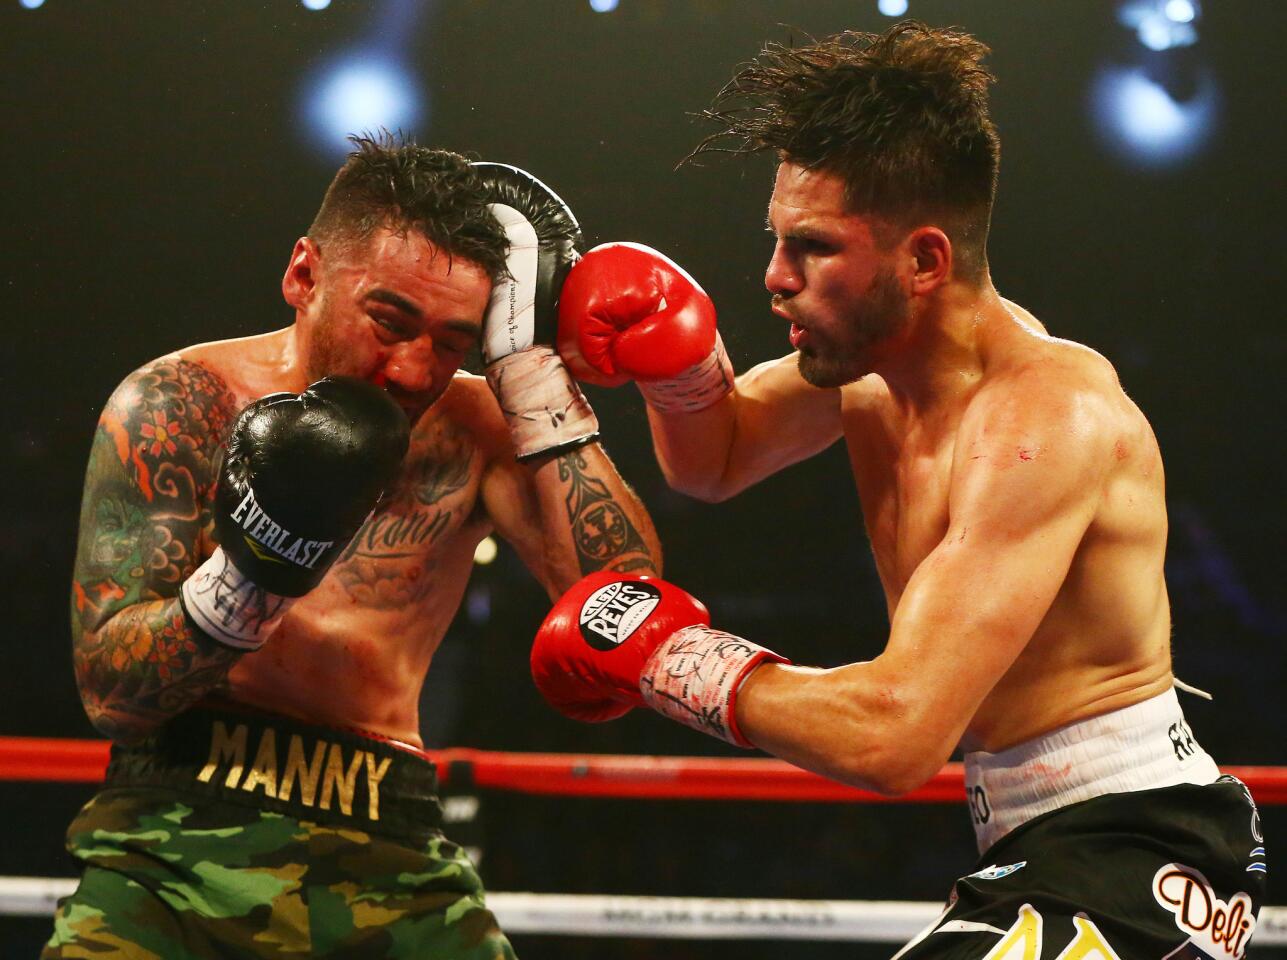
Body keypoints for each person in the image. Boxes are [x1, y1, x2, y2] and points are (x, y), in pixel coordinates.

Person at [532, 22, 1266, 959]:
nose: (773, 278)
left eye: (812, 248)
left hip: (1141, 851)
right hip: (1045, 843)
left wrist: (664, 659)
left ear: (924, 261)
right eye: (775, 241)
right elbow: (710, 459)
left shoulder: (1045, 418)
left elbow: (893, 736)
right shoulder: (872, 378)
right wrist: (675, 369)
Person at [47, 134, 661, 958]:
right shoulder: (181, 402)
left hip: (387, 837)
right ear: (304, 275)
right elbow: (112, 696)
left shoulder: (481, 427)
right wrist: (253, 577)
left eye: (451, 340)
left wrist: (532, 376)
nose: (413, 369)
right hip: (171, 835)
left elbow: (623, 614)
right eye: (389, 321)